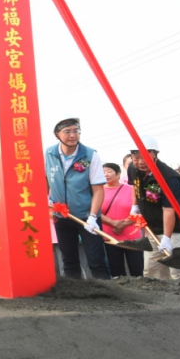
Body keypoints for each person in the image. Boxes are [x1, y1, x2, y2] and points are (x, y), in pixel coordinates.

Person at [45, 115, 110, 280]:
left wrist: (93, 217)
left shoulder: (89, 155)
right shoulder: (49, 153)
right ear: (58, 135)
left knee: (96, 259)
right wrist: (46, 202)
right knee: (69, 259)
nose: (73, 135)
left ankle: (106, 294)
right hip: (62, 216)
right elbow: (45, 180)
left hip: (87, 217)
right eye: (67, 132)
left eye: (76, 131)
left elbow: (98, 190)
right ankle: (75, 295)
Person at [128, 135, 180, 280]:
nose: (140, 162)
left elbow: (169, 209)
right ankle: (159, 301)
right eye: (136, 158)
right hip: (152, 228)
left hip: (176, 230)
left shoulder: (169, 177)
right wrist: (135, 206)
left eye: (145, 157)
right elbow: (134, 186)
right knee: (151, 270)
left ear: (155, 154)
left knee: (178, 271)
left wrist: (167, 238)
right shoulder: (133, 168)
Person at [100, 163, 142, 277]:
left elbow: (139, 210)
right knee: (116, 270)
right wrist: (112, 222)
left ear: (118, 174)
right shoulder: (98, 191)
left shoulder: (131, 189)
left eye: (109, 171)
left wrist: (122, 224)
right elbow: (95, 211)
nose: (106, 174)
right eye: (103, 172)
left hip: (132, 236)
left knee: (137, 269)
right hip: (109, 236)